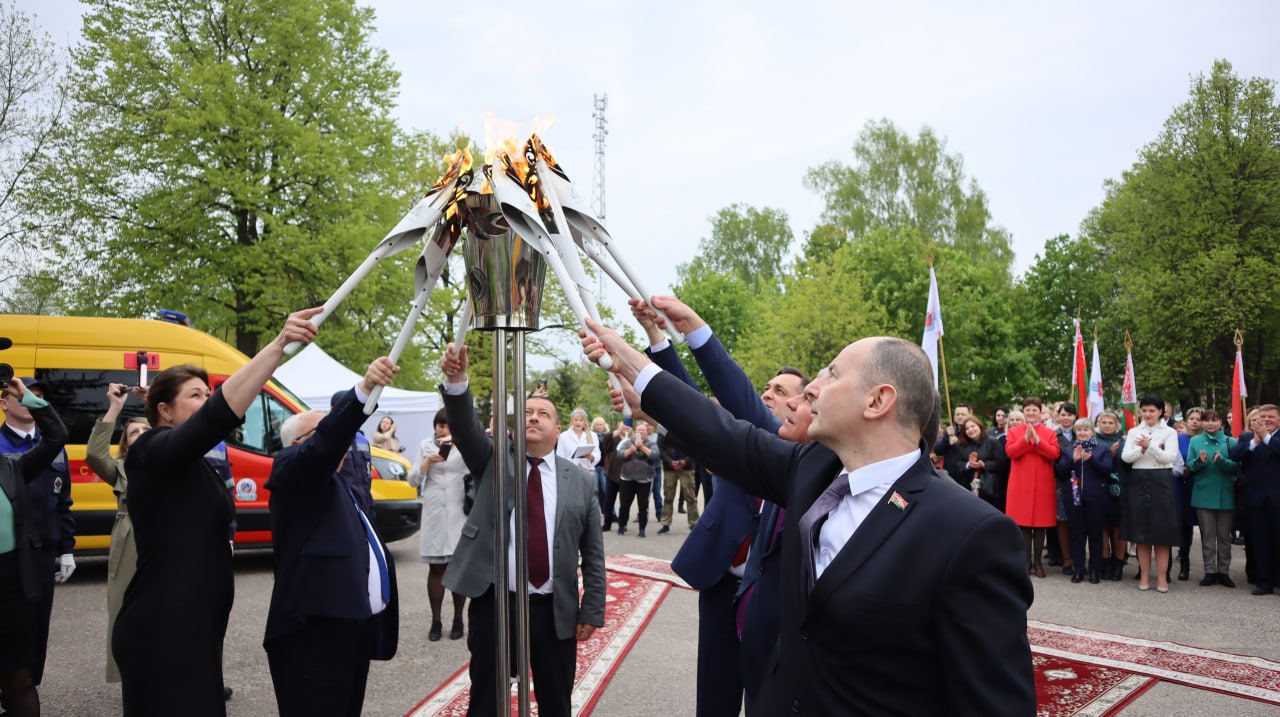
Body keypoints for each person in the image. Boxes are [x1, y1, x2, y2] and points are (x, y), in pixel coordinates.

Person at [583, 322, 1036, 715]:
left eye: (833, 374)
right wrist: (625, 357)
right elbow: (721, 434)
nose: (813, 388)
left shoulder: (970, 533)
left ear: (878, 400)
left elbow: (994, 703)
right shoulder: (813, 469)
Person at [112, 307, 322, 717]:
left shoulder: (197, 464)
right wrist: (278, 346)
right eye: (194, 395)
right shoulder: (150, 452)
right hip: (162, 632)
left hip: (196, 630)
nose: (206, 401)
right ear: (164, 412)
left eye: (208, 393)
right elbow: (216, 418)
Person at [635, 295, 808, 716]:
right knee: (714, 693)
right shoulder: (740, 440)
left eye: (779, 391)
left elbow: (736, 394)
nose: (766, 394)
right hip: (721, 580)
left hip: (770, 596)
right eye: (765, 387)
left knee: (765, 696)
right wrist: (656, 336)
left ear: (802, 406)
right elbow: (688, 403)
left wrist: (695, 327)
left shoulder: (805, 460)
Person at [437, 344, 605, 717]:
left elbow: (593, 553)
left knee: (555, 698)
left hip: (552, 608)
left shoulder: (579, 480)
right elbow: (464, 429)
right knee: (486, 698)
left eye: (543, 413)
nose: (533, 418)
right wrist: (457, 382)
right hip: (496, 602)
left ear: (558, 429)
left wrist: (592, 608)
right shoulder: (493, 459)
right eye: (526, 412)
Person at [263, 357, 400, 717]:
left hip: (348, 631)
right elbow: (324, 445)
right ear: (298, 443)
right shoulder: (291, 468)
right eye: (323, 432)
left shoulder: (339, 484)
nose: (338, 441)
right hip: (313, 635)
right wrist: (363, 390)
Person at [0, 377, 75, 691]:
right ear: (3, 403)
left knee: (33, 634)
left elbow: (63, 501)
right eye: (21, 396)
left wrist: (66, 548)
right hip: (10, 556)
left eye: (37, 396)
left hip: (40, 555)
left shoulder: (46, 447)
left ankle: (23, 684)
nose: (29, 399)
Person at [83, 384, 149, 683]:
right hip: (130, 540)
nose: (141, 434)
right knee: (124, 607)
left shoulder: (175, 459)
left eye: (146, 429)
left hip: (168, 539)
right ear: (125, 444)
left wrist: (151, 403)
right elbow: (95, 455)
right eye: (134, 432)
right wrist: (115, 407)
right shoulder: (121, 469)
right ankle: (130, 674)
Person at [407, 408, 470, 641]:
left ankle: (458, 618)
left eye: (447, 426)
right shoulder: (426, 445)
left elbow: (474, 469)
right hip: (434, 508)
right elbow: (413, 479)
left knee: (458, 567)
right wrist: (427, 462)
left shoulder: (464, 444)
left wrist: (459, 442)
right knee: (436, 568)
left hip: (458, 507)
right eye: (440, 425)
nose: (443, 430)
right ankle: (436, 620)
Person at [1120, 395, 1181, 593]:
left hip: (1162, 480)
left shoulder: (1169, 432)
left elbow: (1168, 457)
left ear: (1161, 412)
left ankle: (1162, 577)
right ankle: (1144, 575)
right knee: (1141, 532)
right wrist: (1142, 448)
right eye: (1144, 410)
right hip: (1138, 480)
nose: (1148, 414)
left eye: (1152, 411)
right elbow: (1126, 457)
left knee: (1162, 533)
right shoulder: (1134, 431)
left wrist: (1151, 447)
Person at [1004, 397, 1061, 578]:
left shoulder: (1049, 433)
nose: (1030, 413)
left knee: (1040, 526)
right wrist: (1025, 439)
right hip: (1021, 483)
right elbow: (1011, 452)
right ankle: (1026, 562)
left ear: (1039, 412)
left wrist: (1037, 441)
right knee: (1023, 526)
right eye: (1027, 410)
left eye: (1034, 410)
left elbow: (1054, 454)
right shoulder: (1014, 432)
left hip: (1043, 484)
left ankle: (1038, 563)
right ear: (1023, 412)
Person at [1228, 403, 1280, 596]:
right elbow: (1234, 455)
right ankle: (1263, 582)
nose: (1265, 420)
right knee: (1260, 542)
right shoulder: (1247, 437)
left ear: (1279, 420)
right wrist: (1255, 442)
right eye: (1262, 417)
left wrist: (1266, 437)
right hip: (1255, 500)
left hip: (1277, 499)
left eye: (1270, 417)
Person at [1056, 418, 1114, 583]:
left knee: (1095, 535)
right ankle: (1078, 569)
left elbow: (1107, 470)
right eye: (1079, 430)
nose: (1082, 433)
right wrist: (1072, 461)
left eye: (1085, 430)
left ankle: (1095, 570)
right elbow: (1059, 471)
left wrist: (1091, 459)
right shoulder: (1068, 450)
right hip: (1074, 499)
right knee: (1076, 535)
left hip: (1096, 498)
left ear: (1092, 432)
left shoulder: (1102, 450)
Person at [1186, 409, 1238, 587]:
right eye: (1206, 420)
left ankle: (1224, 571)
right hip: (1203, 493)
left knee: (1224, 536)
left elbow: (1237, 466)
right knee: (1208, 535)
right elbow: (1189, 466)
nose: (1210, 423)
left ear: (1221, 422)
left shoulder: (1231, 441)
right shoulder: (1195, 441)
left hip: (1226, 493)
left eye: (1214, 420)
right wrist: (1199, 461)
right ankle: (1209, 570)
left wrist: (1222, 461)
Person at [1093, 411, 1127, 581]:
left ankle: (1119, 563)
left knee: (1118, 528)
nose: (1106, 425)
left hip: (1121, 488)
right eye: (1103, 422)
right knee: (1102, 528)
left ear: (1116, 424)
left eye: (1110, 422)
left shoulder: (1124, 440)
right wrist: (1109, 455)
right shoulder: (1094, 440)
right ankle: (1105, 562)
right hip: (1099, 488)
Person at [942, 416, 1005, 508]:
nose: (971, 430)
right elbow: (957, 464)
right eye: (967, 428)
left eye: (973, 426)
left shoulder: (993, 442)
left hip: (990, 488)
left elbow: (1002, 463)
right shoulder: (962, 445)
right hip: (969, 486)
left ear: (979, 426)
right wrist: (968, 465)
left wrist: (984, 465)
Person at [617, 421, 658, 537]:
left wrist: (642, 447)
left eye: (643, 430)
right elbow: (619, 456)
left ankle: (642, 529)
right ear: (635, 432)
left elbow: (655, 455)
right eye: (639, 430)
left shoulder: (651, 443)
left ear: (647, 433)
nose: (641, 432)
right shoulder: (627, 442)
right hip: (627, 478)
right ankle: (621, 525)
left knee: (643, 505)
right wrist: (630, 450)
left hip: (644, 480)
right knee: (624, 504)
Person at [657, 431, 699, 534]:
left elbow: (695, 447)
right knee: (668, 496)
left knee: (690, 497)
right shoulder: (663, 429)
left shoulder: (688, 428)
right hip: (669, 468)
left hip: (687, 468)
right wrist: (669, 461)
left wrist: (685, 461)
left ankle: (693, 523)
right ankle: (665, 524)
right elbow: (660, 448)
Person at [556, 408, 599, 479]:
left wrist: (592, 457)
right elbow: (560, 456)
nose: (578, 422)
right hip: (570, 473)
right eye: (576, 420)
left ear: (584, 422)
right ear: (572, 421)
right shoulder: (564, 436)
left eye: (581, 420)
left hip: (588, 472)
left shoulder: (593, 435)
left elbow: (597, 454)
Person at [590, 416, 610, 519]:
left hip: (604, 466)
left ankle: (610, 512)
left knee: (606, 489)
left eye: (601, 424)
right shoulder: (590, 436)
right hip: (594, 466)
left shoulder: (608, 436)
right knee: (595, 490)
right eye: (597, 425)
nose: (599, 427)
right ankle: (596, 513)